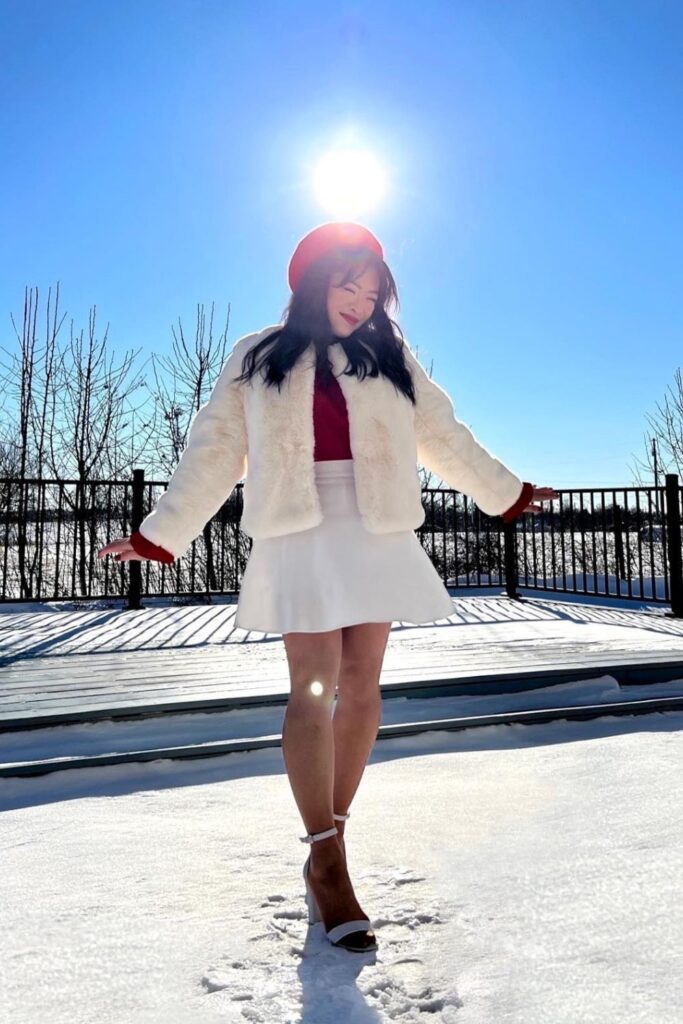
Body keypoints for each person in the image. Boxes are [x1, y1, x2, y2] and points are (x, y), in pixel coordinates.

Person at [98, 221, 559, 954]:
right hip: (299, 524)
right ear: (312, 281)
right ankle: (330, 861)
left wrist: (505, 492)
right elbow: (216, 449)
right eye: (347, 284)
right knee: (312, 684)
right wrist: (163, 532)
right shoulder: (257, 354)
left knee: (363, 686)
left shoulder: (389, 353)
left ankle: (327, 843)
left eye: (372, 290)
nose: (360, 300)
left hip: (374, 526)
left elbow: (442, 434)